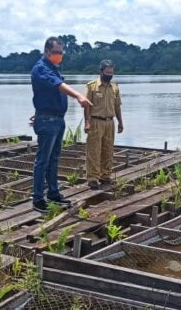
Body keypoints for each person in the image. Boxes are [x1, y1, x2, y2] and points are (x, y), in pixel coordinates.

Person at [30, 37, 92, 213]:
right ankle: (38, 198)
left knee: (54, 159)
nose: (60, 55)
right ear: (47, 52)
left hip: (57, 118)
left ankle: (53, 193)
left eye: (61, 52)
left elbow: (45, 94)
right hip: (47, 121)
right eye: (57, 52)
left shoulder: (53, 68)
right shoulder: (41, 68)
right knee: (42, 160)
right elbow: (58, 86)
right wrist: (79, 96)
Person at [84, 60, 124, 189]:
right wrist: (87, 122)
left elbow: (117, 106)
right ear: (101, 72)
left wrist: (120, 122)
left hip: (109, 122)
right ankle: (92, 178)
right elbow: (87, 107)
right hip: (96, 121)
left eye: (111, 72)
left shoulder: (115, 87)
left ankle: (105, 176)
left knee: (108, 150)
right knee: (94, 151)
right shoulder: (92, 86)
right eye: (107, 72)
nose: (109, 75)